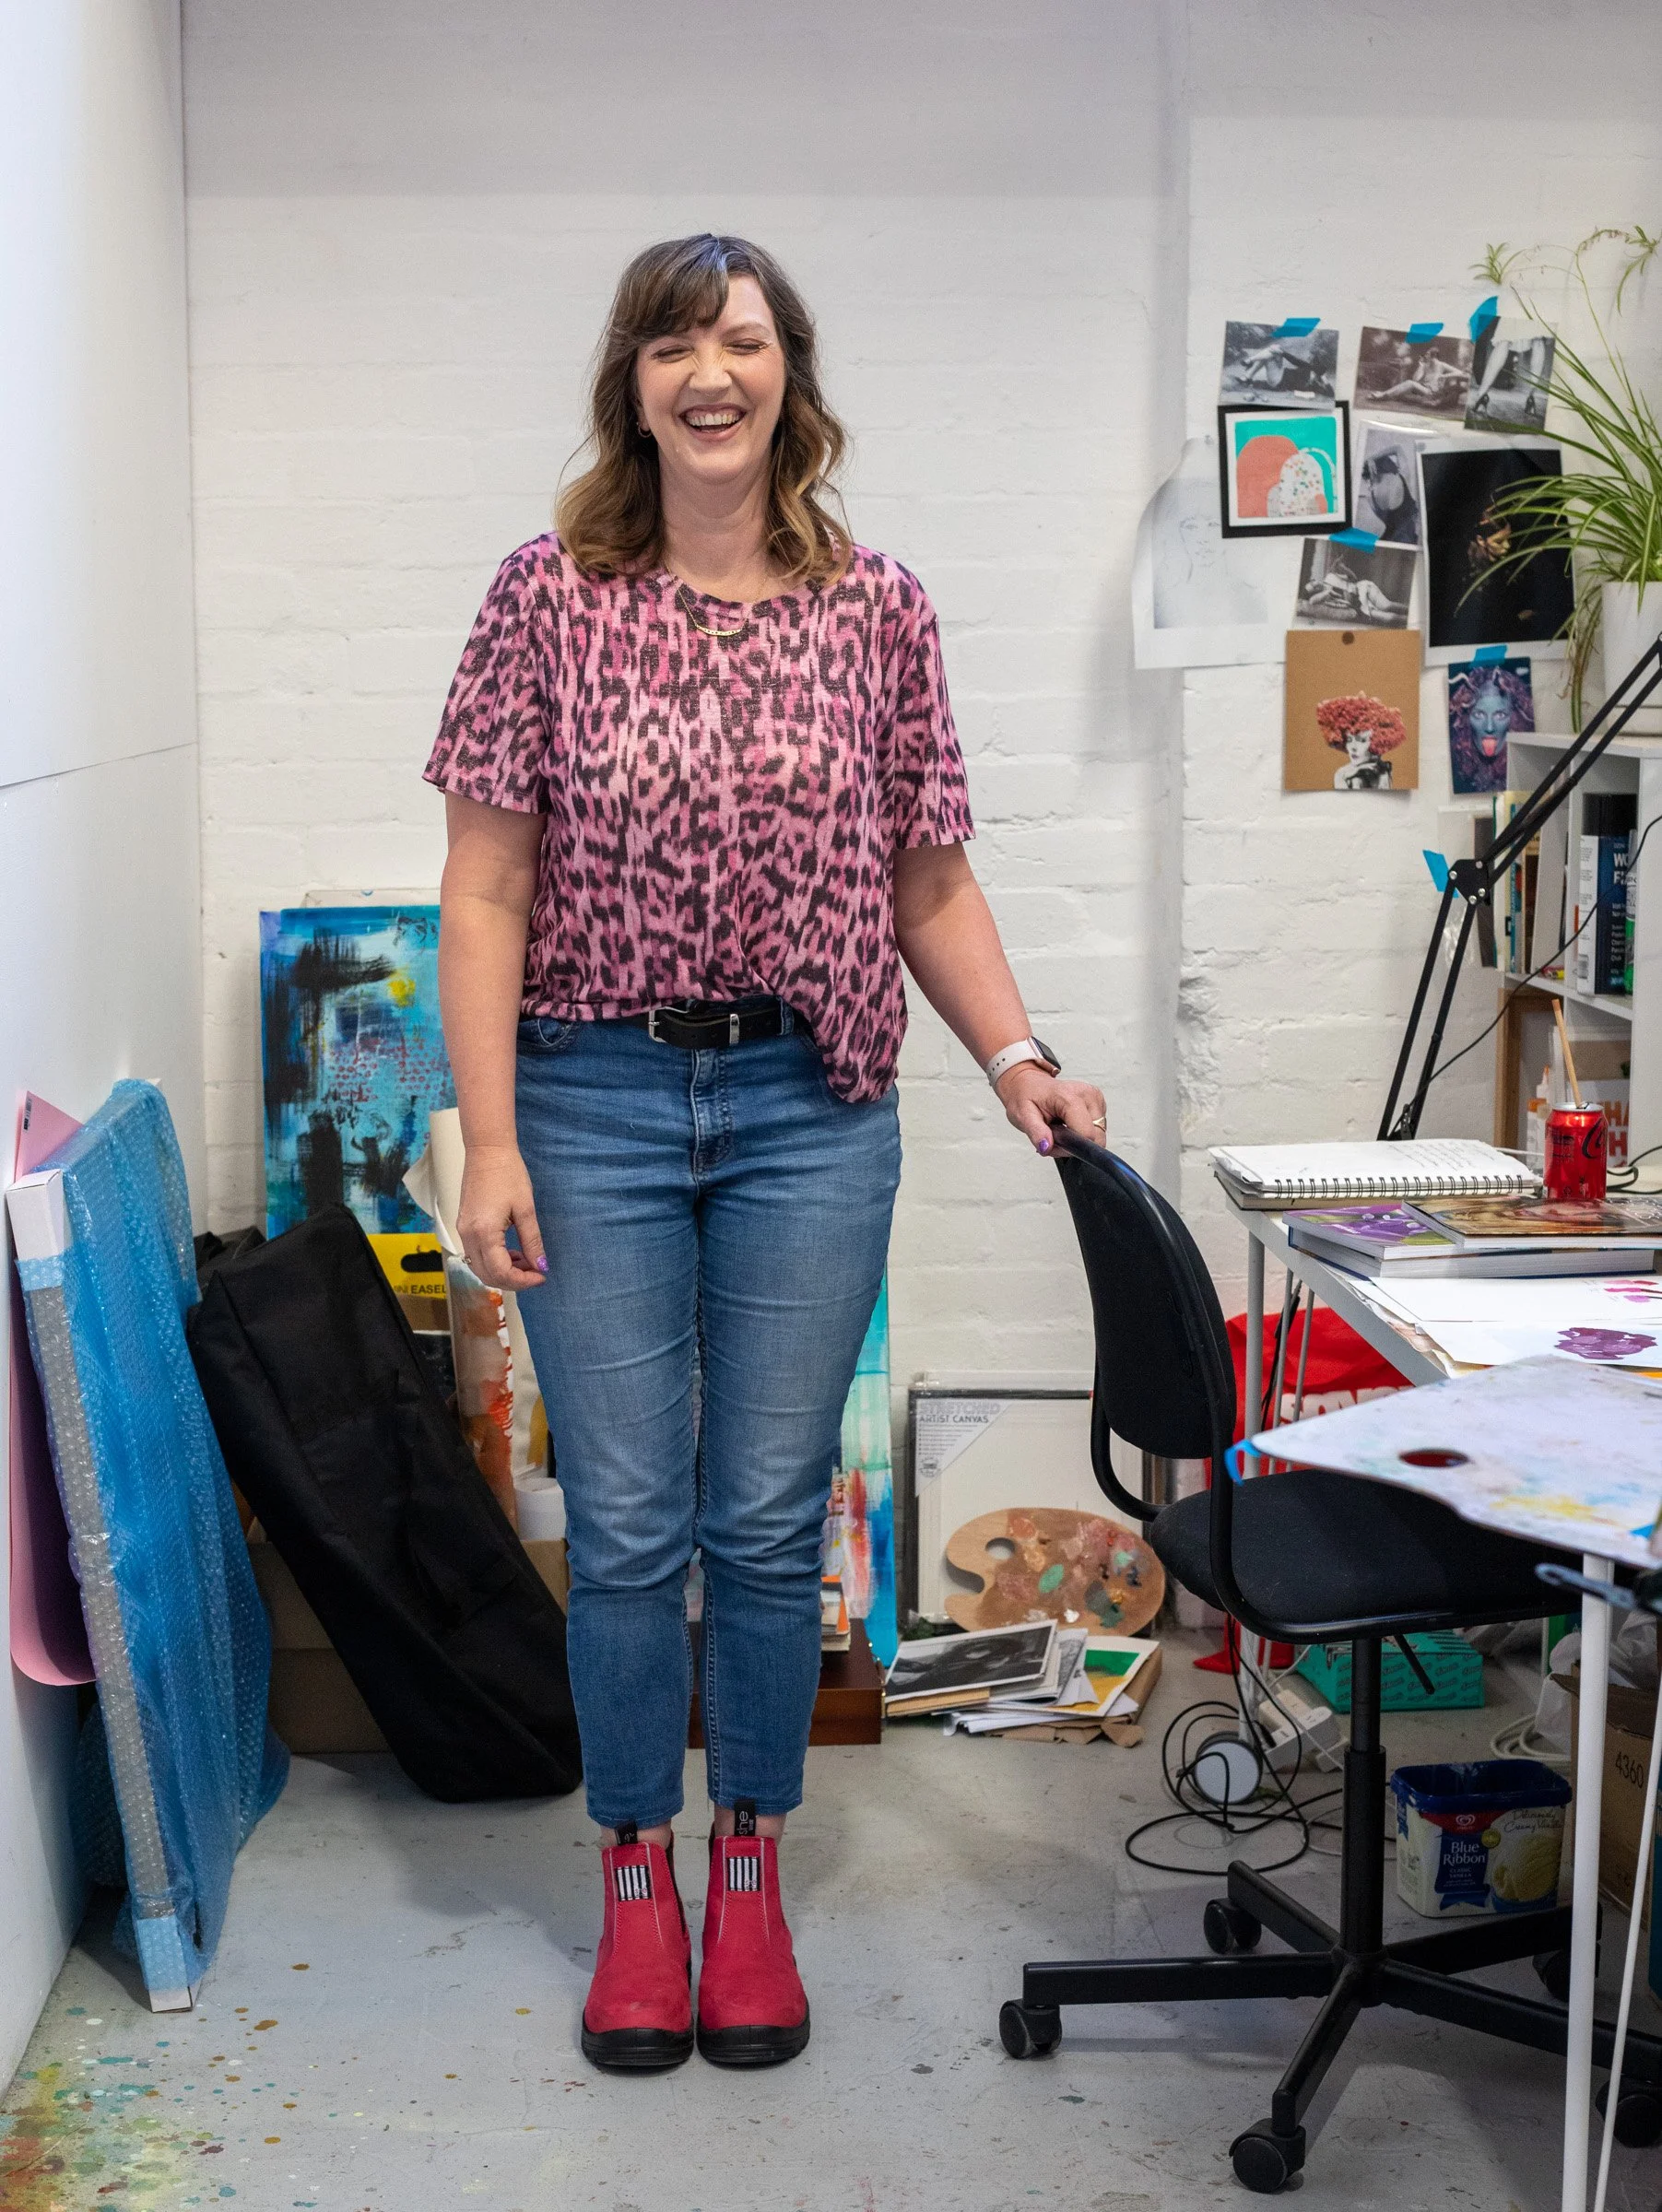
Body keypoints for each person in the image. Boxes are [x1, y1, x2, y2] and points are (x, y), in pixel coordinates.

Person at [425, 233, 1105, 2076]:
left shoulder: (876, 607)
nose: (707, 374)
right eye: (671, 345)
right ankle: (635, 1876)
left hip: (814, 1111)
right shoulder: (544, 596)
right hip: (588, 1101)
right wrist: (486, 1136)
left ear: (789, 377)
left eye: (740, 341)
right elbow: (484, 889)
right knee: (634, 1526)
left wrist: (1018, 1056)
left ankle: (751, 1869)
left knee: (759, 1516)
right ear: (629, 386)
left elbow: (928, 876)